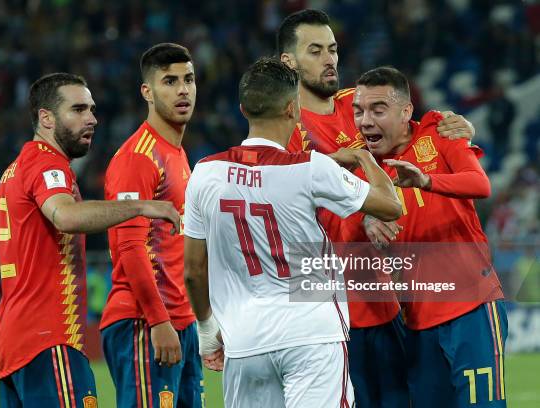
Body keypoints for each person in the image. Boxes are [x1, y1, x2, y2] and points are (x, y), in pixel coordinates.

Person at [0, 73, 180, 407]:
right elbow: (65, 216)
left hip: (14, 352)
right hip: (51, 341)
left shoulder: (11, 173)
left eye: (92, 109)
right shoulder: (45, 164)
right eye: (78, 109)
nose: (92, 119)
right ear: (46, 118)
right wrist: (141, 205)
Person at [277, 9, 476, 406]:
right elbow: (295, 212)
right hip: (332, 313)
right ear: (290, 62)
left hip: (386, 302)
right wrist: (363, 211)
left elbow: (414, 142)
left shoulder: (360, 104)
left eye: (332, 49)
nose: (329, 59)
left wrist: (457, 130)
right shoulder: (285, 130)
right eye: (315, 51)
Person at [184, 57, 402, 408]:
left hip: (244, 342)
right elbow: (390, 206)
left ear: (243, 109)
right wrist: (364, 159)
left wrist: (208, 333)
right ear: (293, 109)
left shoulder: (205, 174)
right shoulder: (311, 168)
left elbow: (193, 272)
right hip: (311, 334)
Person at [345, 66, 507, 407]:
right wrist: (366, 214)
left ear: (406, 112)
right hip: (416, 320)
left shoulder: (437, 133)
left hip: (471, 306)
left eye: (378, 109)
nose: (365, 120)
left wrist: (426, 181)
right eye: (358, 111)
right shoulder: (361, 168)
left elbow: (480, 184)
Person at [99, 43, 203, 408]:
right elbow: (130, 248)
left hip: (180, 322)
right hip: (145, 322)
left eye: (188, 79)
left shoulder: (176, 152)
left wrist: (194, 322)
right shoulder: (138, 157)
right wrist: (159, 321)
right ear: (147, 91)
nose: (183, 90)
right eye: (170, 81)